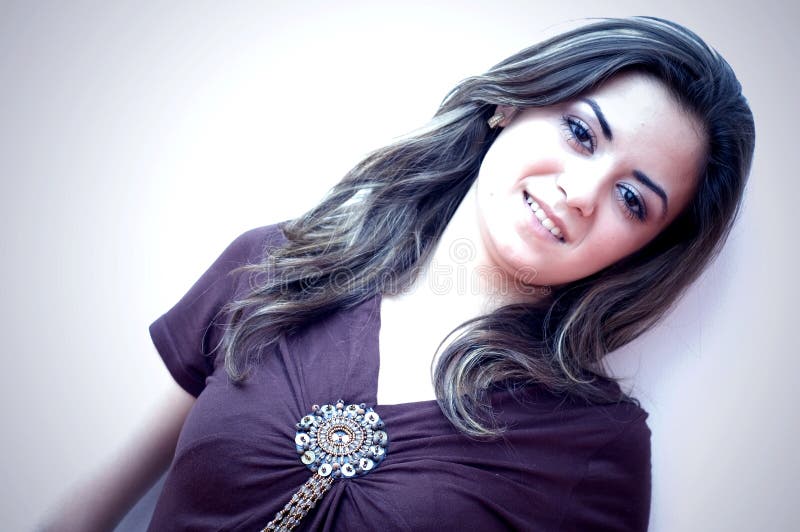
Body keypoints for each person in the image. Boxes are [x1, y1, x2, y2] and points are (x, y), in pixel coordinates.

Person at [42, 16, 754, 532]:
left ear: (645, 251)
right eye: (579, 133)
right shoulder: (278, 265)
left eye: (633, 199)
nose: (582, 192)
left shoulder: (597, 447)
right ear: (510, 104)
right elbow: (99, 496)